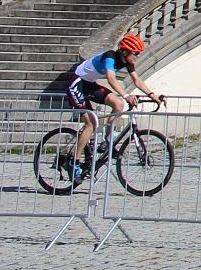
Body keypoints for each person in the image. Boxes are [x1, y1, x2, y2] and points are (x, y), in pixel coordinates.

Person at [64, 34, 164, 180]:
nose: (137, 57)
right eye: (136, 53)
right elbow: (111, 79)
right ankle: (74, 162)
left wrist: (152, 94)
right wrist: (126, 95)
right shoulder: (110, 56)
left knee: (118, 104)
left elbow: (137, 80)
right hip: (77, 83)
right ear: (125, 51)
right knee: (90, 124)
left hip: (90, 84)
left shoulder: (128, 61)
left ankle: (107, 142)